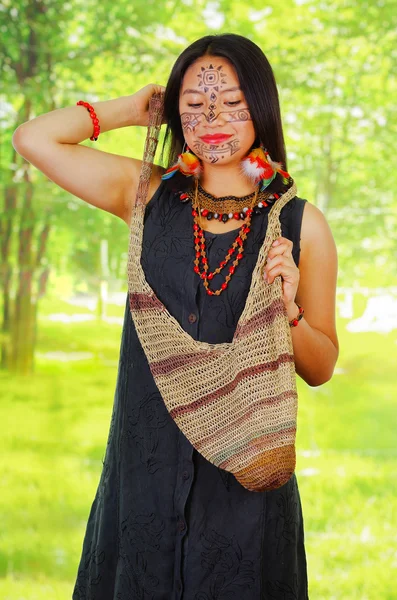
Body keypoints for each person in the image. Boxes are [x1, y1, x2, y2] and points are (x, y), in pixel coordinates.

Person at [12, 33, 338, 600]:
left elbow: (322, 366)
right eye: (194, 104)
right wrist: (129, 111)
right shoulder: (143, 194)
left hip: (246, 506)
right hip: (142, 493)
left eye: (234, 104)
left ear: (261, 108)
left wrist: (289, 311)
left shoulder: (302, 226)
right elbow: (32, 138)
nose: (213, 117)